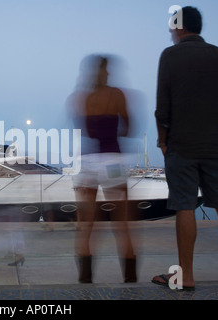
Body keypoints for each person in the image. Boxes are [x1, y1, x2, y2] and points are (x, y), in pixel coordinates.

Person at [153, 6, 218, 290]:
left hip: (182, 145)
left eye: (171, 29)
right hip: (217, 145)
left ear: (180, 28)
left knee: (184, 206)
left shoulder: (171, 56)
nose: (170, 34)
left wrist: (163, 141)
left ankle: (186, 275)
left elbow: (162, 108)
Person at [68, 54, 137, 283]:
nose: (108, 74)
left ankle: (85, 278)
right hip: (112, 162)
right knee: (122, 224)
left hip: (88, 162)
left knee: (87, 225)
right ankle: (129, 278)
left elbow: (83, 128)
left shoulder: (79, 98)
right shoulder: (117, 95)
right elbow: (129, 127)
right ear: (103, 71)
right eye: (106, 70)